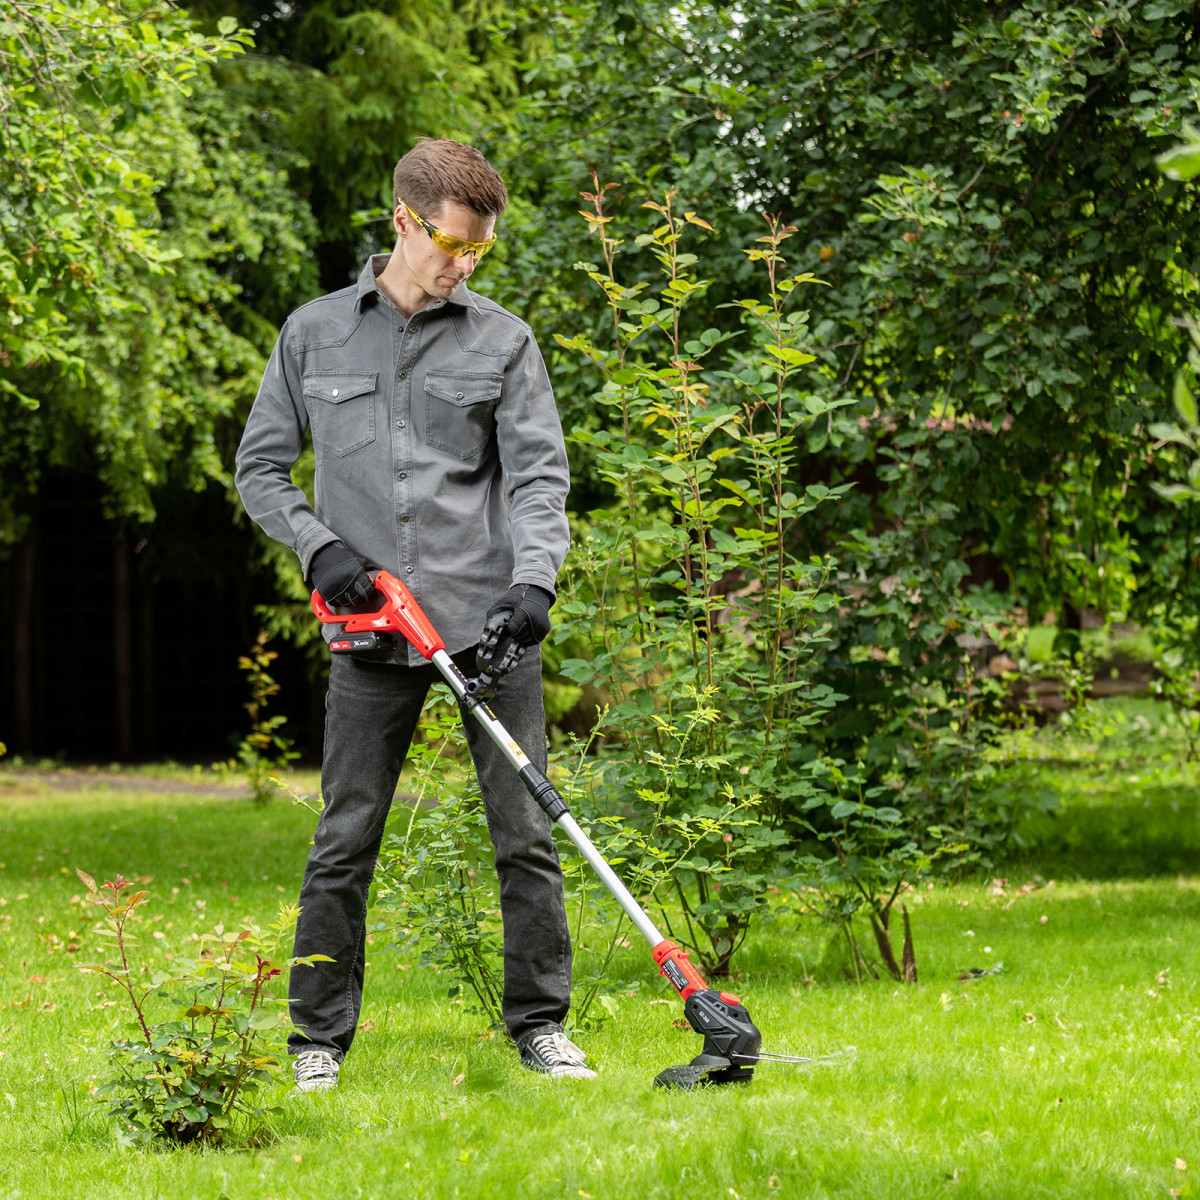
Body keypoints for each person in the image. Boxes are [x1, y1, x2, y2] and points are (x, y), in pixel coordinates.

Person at [235, 138, 592, 1091]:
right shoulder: (314, 334)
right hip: (372, 630)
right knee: (346, 835)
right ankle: (316, 1041)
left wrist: (534, 585)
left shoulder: (503, 341)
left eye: (481, 249)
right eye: (452, 244)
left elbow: (539, 478)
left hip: (487, 629)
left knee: (524, 834)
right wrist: (319, 547)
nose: (464, 264)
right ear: (404, 220)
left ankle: (541, 1026)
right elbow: (260, 468)